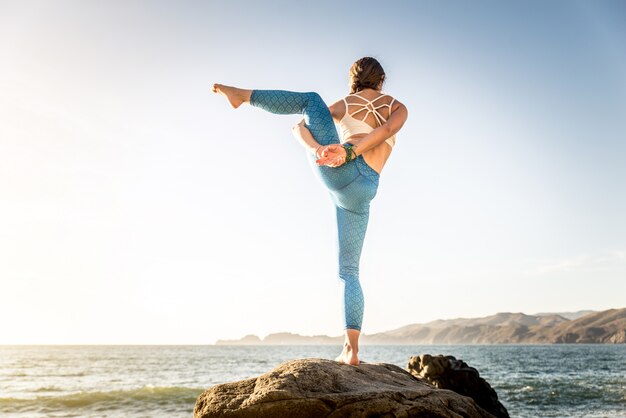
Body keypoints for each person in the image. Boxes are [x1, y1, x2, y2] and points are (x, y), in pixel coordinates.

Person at [212, 57, 408, 365]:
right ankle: (351, 351)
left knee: (310, 100)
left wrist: (339, 150)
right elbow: (385, 131)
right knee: (349, 272)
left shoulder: (343, 104)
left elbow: (298, 126)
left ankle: (243, 96)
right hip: (364, 188)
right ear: (381, 80)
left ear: (353, 79)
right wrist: (322, 149)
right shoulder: (398, 107)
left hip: (341, 172)